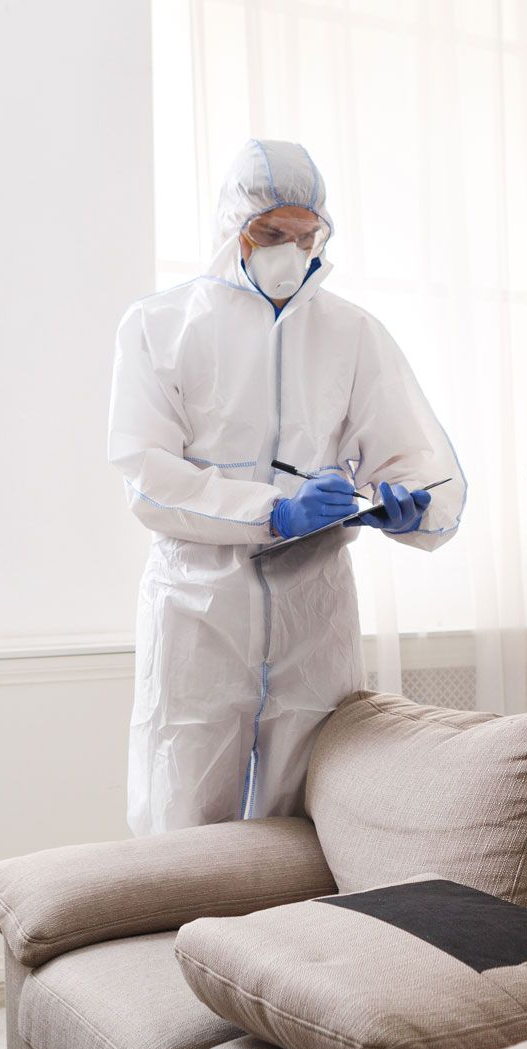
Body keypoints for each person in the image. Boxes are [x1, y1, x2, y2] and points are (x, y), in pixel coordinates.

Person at [110, 139, 465, 834]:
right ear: (231, 226)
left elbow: (413, 454)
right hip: (200, 610)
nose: (292, 251)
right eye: (272, 233)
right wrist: (272, 512)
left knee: (308, 821)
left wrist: (408, 505)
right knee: (184, 817)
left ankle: (290, 947)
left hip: (314, 615)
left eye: (308, 236)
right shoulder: (160, 326)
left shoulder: (352, 332)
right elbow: (148, 479)